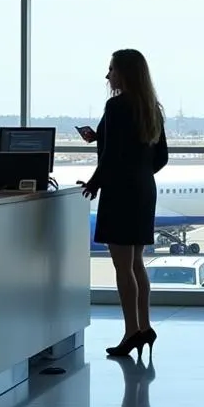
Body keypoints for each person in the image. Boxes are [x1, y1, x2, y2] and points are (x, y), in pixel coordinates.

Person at [81, 49, 168, 359]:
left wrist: (94, 183)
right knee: (136, 264)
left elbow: (112, 156)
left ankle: (131, 331)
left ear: (125, 73)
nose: (108, 76)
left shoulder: (116, 106)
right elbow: (161, 157)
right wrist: (138, 172)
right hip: (144, 189)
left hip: (120, 193)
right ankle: (144, 327)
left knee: (122, 266)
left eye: (112, 70)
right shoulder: (151, 108)